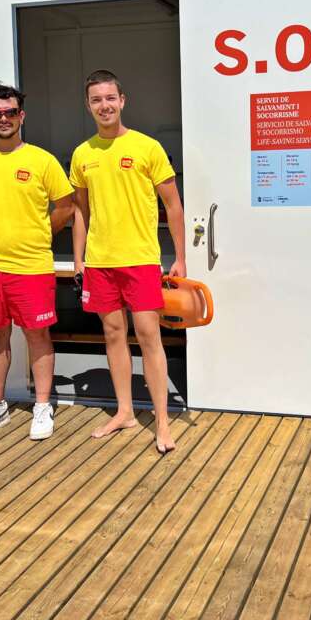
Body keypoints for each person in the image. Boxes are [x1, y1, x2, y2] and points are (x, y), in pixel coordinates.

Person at [71, 69, 186, 454]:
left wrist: (180, 257)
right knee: (113, 335)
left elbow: (173, 205)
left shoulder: (147, 147)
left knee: (150, 336)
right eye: (96, 100)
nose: (104, 106)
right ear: (88, 106)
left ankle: (162, 422)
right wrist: (79, 259)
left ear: (122, 100)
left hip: (140, 260)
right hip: (100, 262)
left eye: (110, 98)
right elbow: (81, 211)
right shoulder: (82, 154)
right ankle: (124, 412)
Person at [0, 82, 75, 440]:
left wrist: (41, 233)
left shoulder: (42, 160)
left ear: (21, 115)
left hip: (31, 266)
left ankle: (42, 406)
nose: (3, 119)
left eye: (9, 112)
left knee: (37, 335)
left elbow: (66, 206)